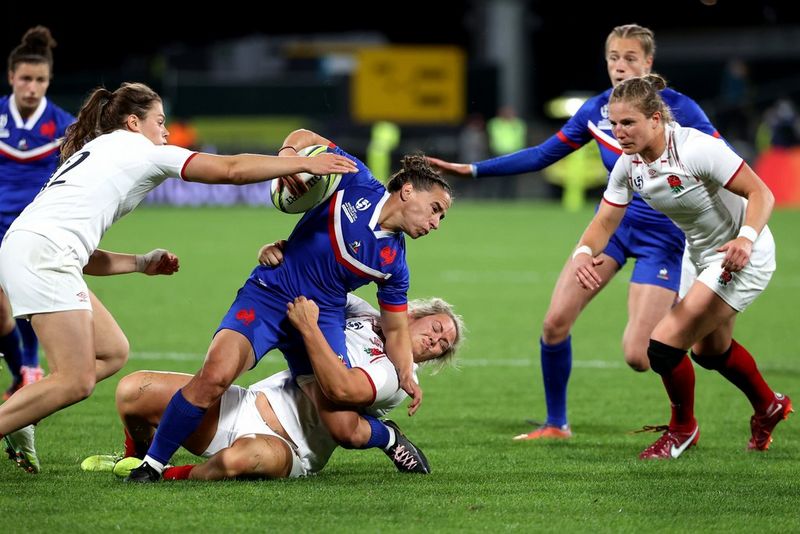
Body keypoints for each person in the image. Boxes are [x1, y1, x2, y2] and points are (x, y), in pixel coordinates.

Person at [0, 82, 358, 474]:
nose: (166, 132)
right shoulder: (140, 150)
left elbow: (82, 256)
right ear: (133, 123)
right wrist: (300, 163)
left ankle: (22, 417)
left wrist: (140, 262)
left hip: (31, 247)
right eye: (160, 121)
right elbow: (231, 170)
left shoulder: (94, 151)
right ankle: (16, 418)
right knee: (77, 380)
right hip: (45, 254)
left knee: (112, 351)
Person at [427, 24, 720, 441]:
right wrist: (474, 169)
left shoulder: (680, 109)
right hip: (612, 228)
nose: (621, 66)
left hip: (664, 237)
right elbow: (543, 154)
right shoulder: (597, 111)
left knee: (641, 355)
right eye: (614, 58)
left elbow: (724, 163)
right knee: (555, 323)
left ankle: (685, 413)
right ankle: (556, 424)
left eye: (630, 58)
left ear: (648, 63)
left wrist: (729, 227)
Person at [126, 129, 452, 482]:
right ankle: (152, 466)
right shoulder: (356, 179)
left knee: (343, 423)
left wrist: (406, 373)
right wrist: (287, 159)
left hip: (318, 317)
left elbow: (395, 327)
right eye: (435, 210)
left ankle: (386, 437)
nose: (435, 223)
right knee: (215, 375)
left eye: (441, 218)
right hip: (270, 292)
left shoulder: (394, 264)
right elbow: (303, 135)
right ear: (407, 191)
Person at [573, 74, 791, 459]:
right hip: (699, 255)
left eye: (629, 123)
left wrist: (746, 238)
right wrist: (582, 254)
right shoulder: (629, 165)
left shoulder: (696, 148)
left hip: (741, 252)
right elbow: (605, 221)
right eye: (615, 124)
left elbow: (761, 192)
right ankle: (769, 405)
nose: (619, 132)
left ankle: (682, 430)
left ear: (656, 119)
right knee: (709, 352)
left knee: (662, 346)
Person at [83, 294, 463, 480]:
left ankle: (165, 475)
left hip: (292, 448)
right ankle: (134, 456)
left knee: (237, 460)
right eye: (436, 329)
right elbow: (316, 289)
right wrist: (278, 254)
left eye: (443, 345)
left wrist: (308, 331)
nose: (437, 341)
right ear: (414, 315)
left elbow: (334, 392)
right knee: (133, 389)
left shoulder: (397, 378)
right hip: (248, 405)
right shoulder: (365, 314)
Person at [1, 26, 75, 400]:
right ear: (12, 77)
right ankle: (23, 371)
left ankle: (28, 367)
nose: (32, 87)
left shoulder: (64, 125)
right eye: (25, 78)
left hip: (35, 230)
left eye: (40, 80)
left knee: (23, 303)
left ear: (48, 81)